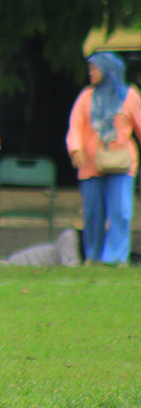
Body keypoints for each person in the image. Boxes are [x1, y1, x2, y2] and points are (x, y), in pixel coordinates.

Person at [66, 51, 141, 266]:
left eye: (95, 68)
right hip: (90, 164)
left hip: (121, 164)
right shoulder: (86, 97)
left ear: (108, 69)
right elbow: (76, 126)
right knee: (92, 213)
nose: (91, 72)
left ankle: (116, 258)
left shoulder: (129, 95)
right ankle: (94, 256)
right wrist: (76, 150)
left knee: (121, 212)